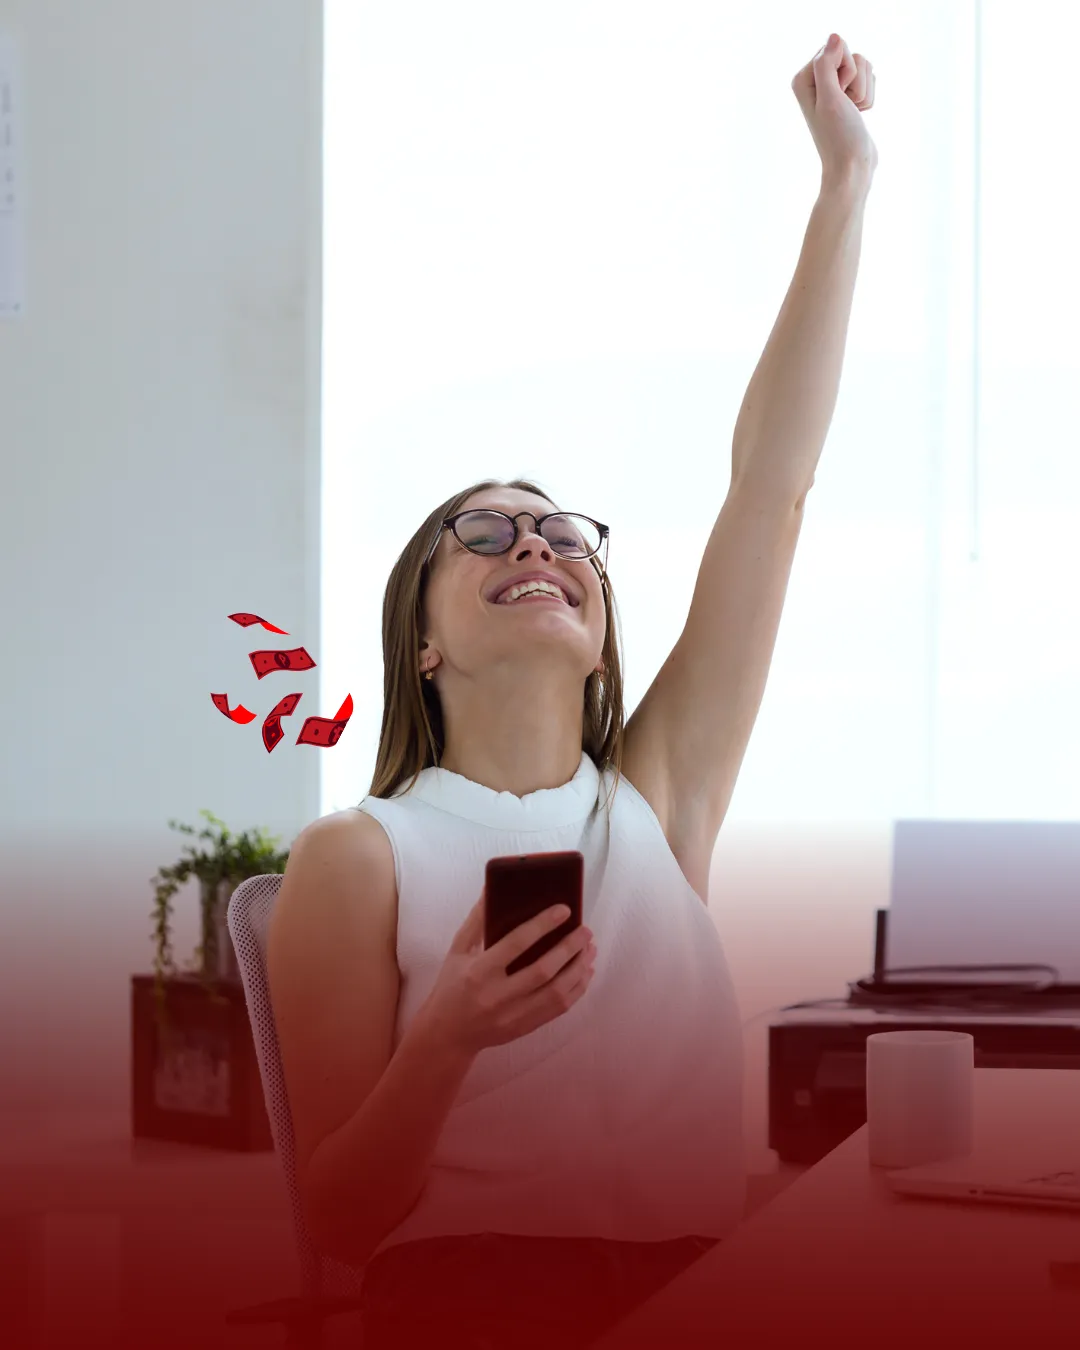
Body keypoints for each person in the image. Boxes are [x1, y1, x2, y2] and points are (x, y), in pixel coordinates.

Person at [268, 33, 877, 1350]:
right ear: (420, 641)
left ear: (599, 638)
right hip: (469, 1306)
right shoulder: (358, 856)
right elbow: (343, 1219)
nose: (535, 545)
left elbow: (770, 488)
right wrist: (446, 1037)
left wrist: (845, 184)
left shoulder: (660, 801)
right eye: (484, 535)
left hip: (701, 1296)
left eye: (560, 534)